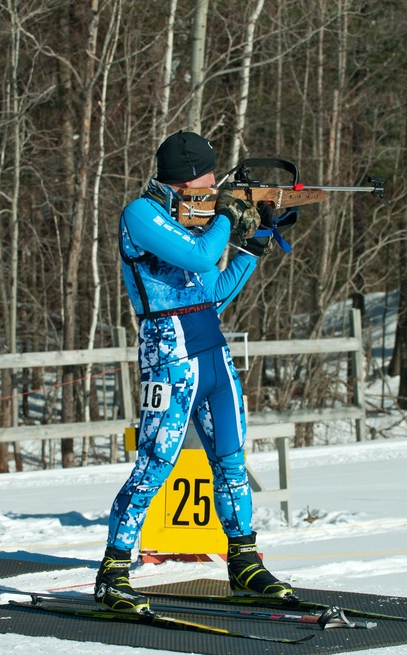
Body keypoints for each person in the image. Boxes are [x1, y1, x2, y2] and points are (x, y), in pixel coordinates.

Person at [95, 131, 296, 613]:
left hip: (211, 350)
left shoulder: (200, 217)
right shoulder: (141, 215)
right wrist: (228, 215)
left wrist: (257, 243)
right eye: (209, 180)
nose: (216, 187)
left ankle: (244, 563)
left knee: (231, 459)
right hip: (170, 356)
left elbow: (213, 296)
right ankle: (115, 569)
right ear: (188, 178)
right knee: (155, 463)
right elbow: (204, 255)